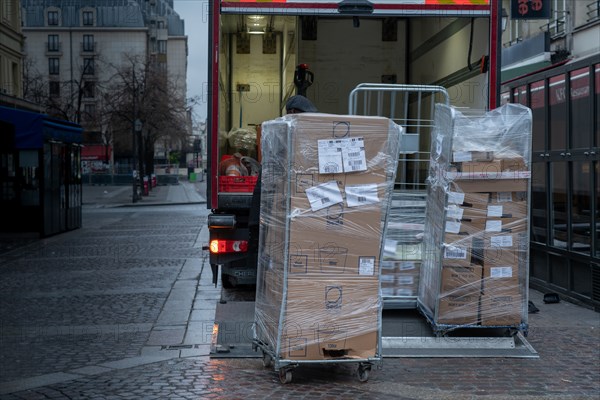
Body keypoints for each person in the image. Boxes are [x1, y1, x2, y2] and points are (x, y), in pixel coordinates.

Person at [246, 95, 318, 270]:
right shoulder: (282, 133)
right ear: (294, 113)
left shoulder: (294, 133)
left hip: (281, 203)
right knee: (267, 250)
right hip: (272, 203)